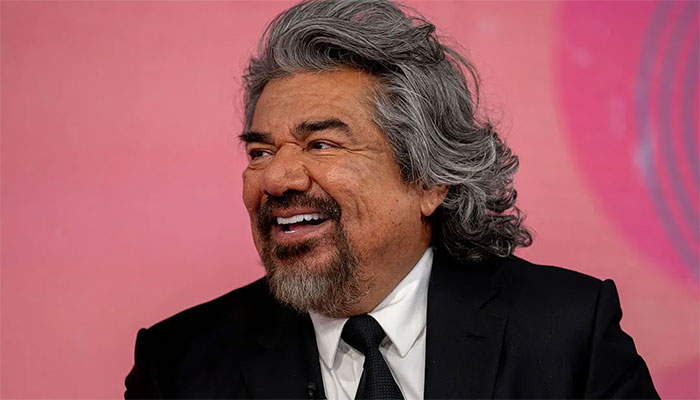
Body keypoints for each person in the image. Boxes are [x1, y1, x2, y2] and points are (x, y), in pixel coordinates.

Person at [125, 0, 659, 398]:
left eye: (321, 144)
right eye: (260, 152)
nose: (277, 178)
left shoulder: (568, 332)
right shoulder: (178, 365)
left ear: (429, 180)